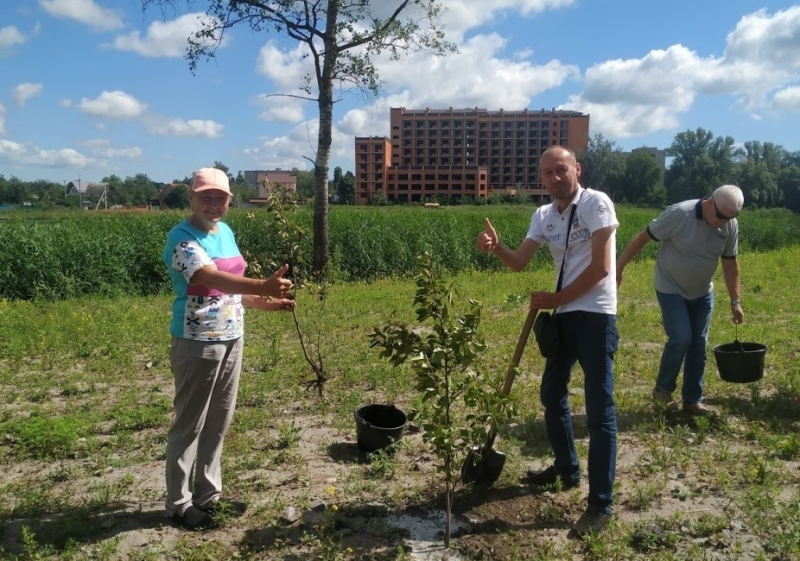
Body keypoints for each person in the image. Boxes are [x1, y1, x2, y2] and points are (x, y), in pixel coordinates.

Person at [476, 146, 619, 537]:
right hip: (564, 317)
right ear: (541, 178)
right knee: (552, 392)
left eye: (562, 170)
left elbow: (602, 267)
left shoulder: (596, 204)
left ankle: (600, 505)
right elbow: (520, 260)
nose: (555, 177)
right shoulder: (543, 215)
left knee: (599, 408)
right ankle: (566, 468)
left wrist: (556, 299)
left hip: (595, 315)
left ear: (577, 169)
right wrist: (496, 249)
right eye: (548, 173)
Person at [162, 167, 295, 530]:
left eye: (220, 197)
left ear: (229, 201)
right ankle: (178, 503)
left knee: (219, 419)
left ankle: (208, 495)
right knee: (189, 423)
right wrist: (263, 285)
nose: (213, 203)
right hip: (197, 342)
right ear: (190, 198)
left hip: (232, 336)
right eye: (205, 196)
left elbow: (230, 289)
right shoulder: (182, 237)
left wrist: (263, 301)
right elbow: (207, 277)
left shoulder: (226, 233)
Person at [616, 185, 745, 417]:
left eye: (730, 217)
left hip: (703, 292)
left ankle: (692, 400)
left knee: (699, 344)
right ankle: (662, 391)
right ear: (709, 203)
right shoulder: (680, 214)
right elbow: (644, 236)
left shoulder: (729, 224)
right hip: (670, 287)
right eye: (721, 216)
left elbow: (729, 263)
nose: (724, 222)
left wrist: (735, 300)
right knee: (681, 338)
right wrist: (619, 266)